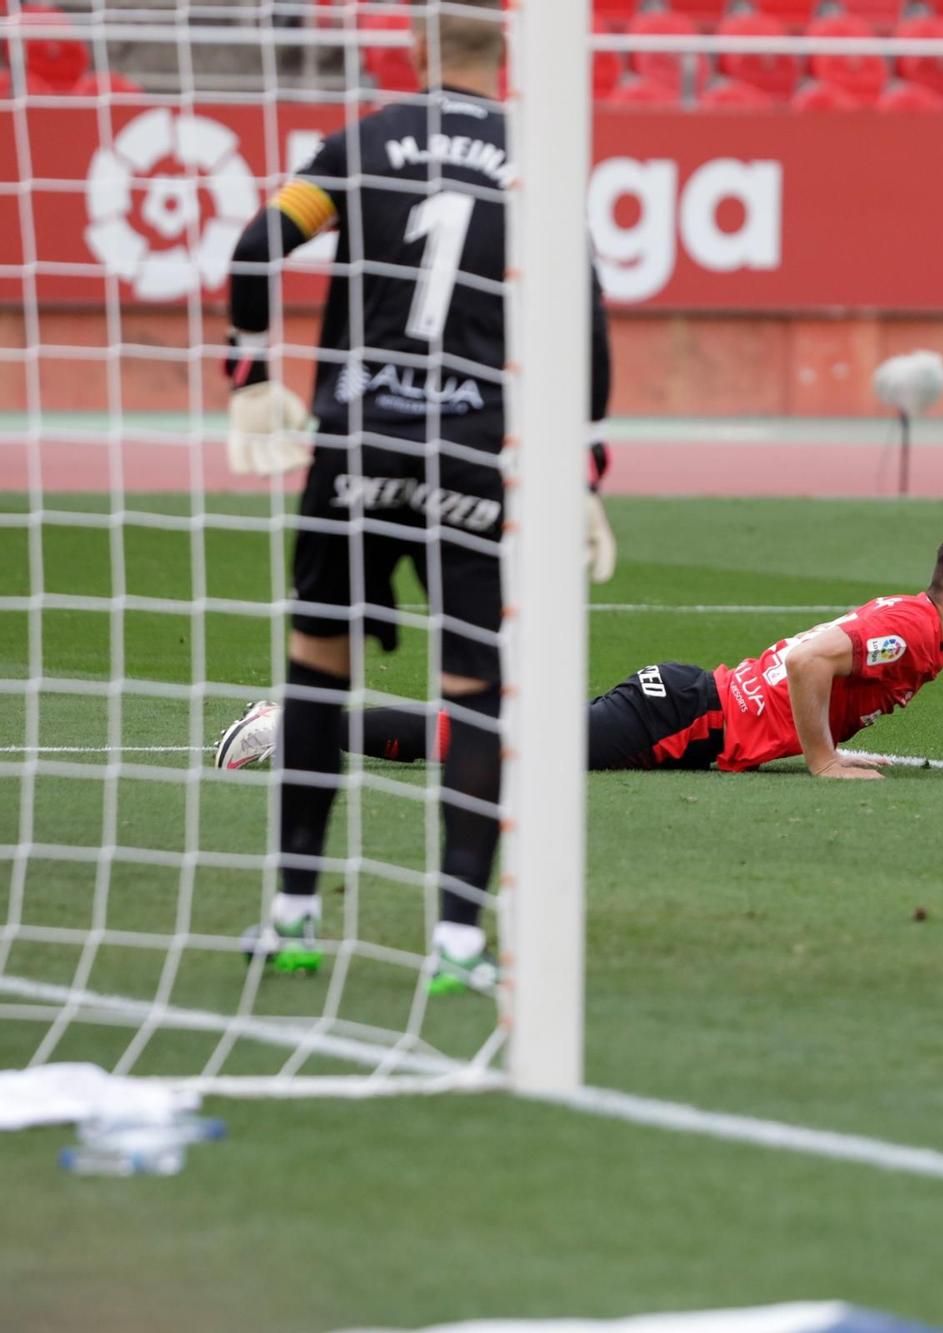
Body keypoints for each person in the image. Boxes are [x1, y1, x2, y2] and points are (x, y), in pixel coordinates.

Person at [218, 0, 613, 995]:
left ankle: (293, 916)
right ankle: (457, 944)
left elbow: (258, 244)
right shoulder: (538, 159)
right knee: (475, 690)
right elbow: (585, 321)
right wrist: (584, 464)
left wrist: (252, 373)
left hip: (355, 440)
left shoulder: (363, 143)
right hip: (473, 453)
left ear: (414, 48)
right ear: (504, 51)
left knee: (318, 668)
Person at [220, 533, 943, 783]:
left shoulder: (918, 628)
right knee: (490, 748)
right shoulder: (917, 629)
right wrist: (823, 761)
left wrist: (828, 742)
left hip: (686, 702)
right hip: (684, 716)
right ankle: (291, 723)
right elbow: (814, 659)